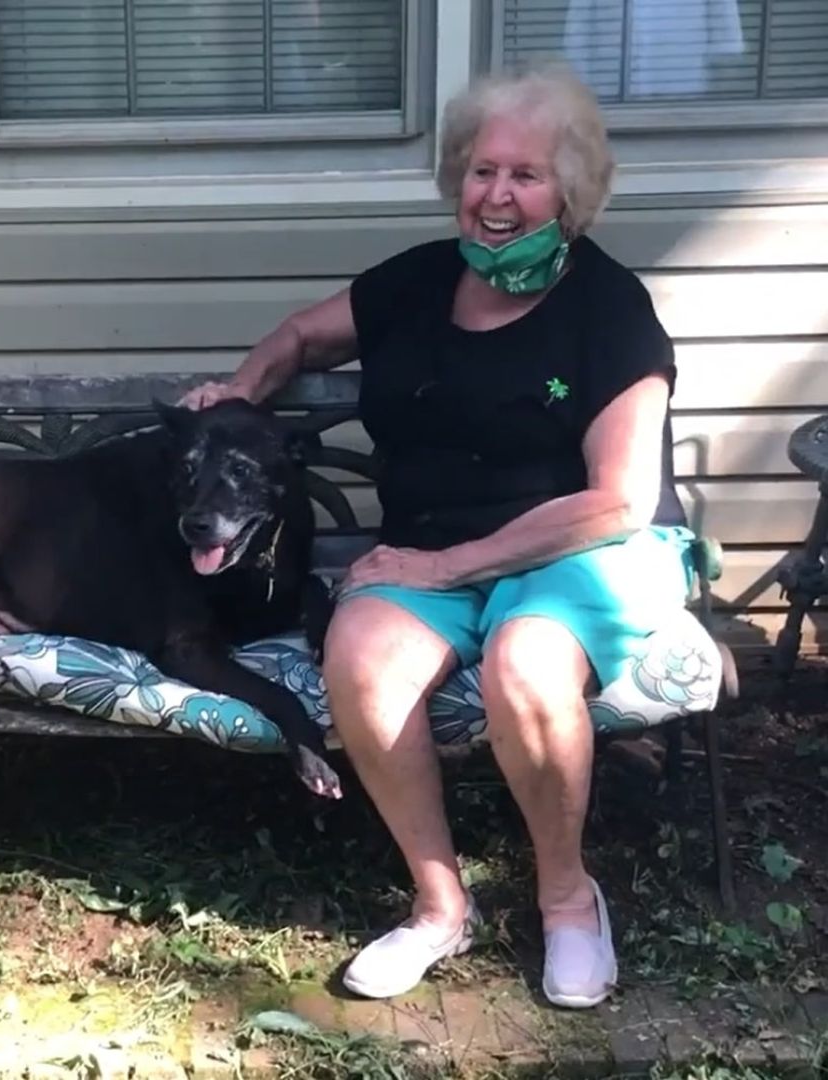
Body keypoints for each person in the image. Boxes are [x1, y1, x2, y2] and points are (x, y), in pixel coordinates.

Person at [181, 66, 693, 1009]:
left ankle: (567, 899)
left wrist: (450, 564)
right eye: (482, 171)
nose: (498, 197)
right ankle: (438, 905)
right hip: (429, 554)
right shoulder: (419, 281)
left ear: (569, 192)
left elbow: (621, 500)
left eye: (527, 176)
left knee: (525, 665)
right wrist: (245, 387)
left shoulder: (610, 310)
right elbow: (302, 336)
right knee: (362, 656)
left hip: (574, 551)